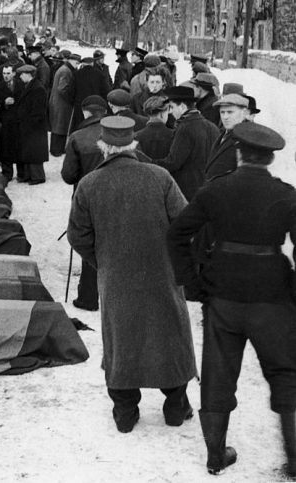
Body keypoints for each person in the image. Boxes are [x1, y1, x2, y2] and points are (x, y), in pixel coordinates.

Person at [167, 122, 296, 478]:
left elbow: (177, 234)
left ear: (238, 153)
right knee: (286, 374)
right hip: (273, 296)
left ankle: (215, 457)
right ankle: (295, 460)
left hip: (221, 294)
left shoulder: (214, 191)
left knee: (218, 375)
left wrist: (191, 282)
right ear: (270, 158)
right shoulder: (288, 195)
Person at [67, 115, 197, 434]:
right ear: (134, 144)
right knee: (170, 335)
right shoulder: (160, 176)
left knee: (121, 339)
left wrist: (104, 261)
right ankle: (176, 406)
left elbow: (77, 236)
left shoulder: (89, 184)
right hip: (162, 274)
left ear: (103, 146)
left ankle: (125, 410)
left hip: (116, 276)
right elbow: (186, 226)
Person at [61, 95, 108, 312]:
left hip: (86, 199)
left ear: (85, 112)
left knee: (89, 244)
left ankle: (88, 297)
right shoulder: (120, 135)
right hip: (117, 198)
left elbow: (69, 175)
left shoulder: (77, 137)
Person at [153, 86, 219, 201]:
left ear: (182, 106)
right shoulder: (212, 127)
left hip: (187, 191)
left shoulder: (185, 127)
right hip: (209, 189)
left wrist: (149, 162)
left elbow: (173, 162)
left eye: (172, 107)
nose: (171, 112)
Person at [15, 64, 49, 184]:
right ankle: (29, 175)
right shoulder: (31, 86)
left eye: (22, 74)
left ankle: (37, 176)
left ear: (28, 74)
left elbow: (38, 110)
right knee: (29, 152)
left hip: (34, 126)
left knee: (34, 153)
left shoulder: (37, 88)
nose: (20, 77)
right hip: (29, 125)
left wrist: (30, 123)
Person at [204, 93, 249, 181]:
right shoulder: (223, 134)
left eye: (230, 112)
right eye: (222, 112)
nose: (225, 117)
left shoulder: (246, 138)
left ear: (243, 113)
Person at [0, 64, 24, 182]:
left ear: (14, 73)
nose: (6, 76)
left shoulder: (21, 85)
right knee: (5, 147)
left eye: (8, 73)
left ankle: (21, 173)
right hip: (5, 121)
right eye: (4, 74)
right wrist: (4, 103)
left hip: (18, 120)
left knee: (19, 147)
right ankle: (7, 173)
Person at [49, 53, 80, 156]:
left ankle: (56, 149)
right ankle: (57, 150)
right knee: (60, 126)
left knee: (58, 126)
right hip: (62, 104)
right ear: (71, 61)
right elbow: (62, 88)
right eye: (76, 63)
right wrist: (71, 99)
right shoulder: (66, 71)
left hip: (58, 102)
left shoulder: (63, 69)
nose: (77, 65)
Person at [73, 57, 111, 130]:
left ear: (83, 64)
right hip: (96, 104)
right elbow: (106, 90)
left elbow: (71, 91)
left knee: (80, 126)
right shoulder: (99, 74)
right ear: (92, 63)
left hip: (80, 105)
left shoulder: (76, 74)